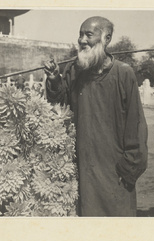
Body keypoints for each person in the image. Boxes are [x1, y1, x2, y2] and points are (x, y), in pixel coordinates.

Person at [44, 16, 148, 217]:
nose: (82, 40)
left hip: (115, 172)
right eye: (80, 35)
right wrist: (54, 78)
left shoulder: (123, 74)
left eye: (88, 35)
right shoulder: (74, 70)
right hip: (84, 169)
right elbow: (60, 106)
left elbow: (136, 127)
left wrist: (128, 171)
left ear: (106, 38)